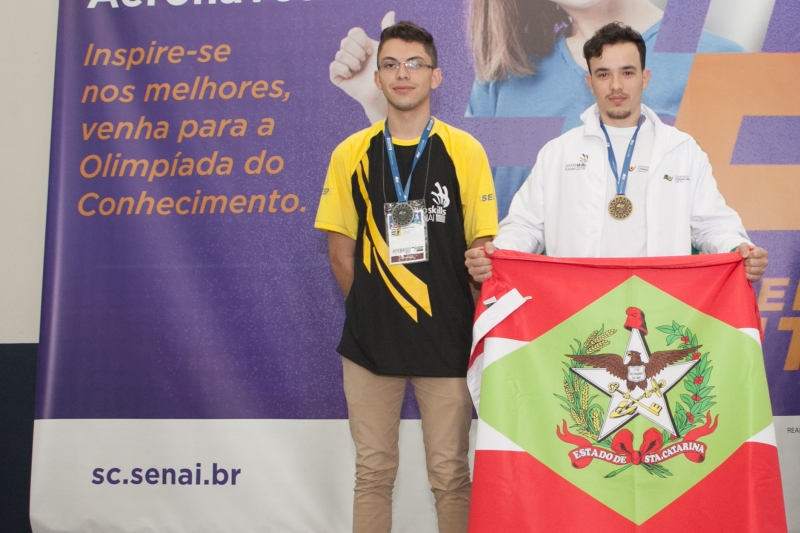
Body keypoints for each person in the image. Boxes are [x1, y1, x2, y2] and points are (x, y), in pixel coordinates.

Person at [315, 21, 498, 533]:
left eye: (414, 63)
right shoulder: (350, 153)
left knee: (450, 475)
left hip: (447, 341)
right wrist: (375, 309)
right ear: (377, 77)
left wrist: (458, 317)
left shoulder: (465, 151)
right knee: (373, 473)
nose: (403, 74)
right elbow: (339, 254)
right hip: (370, 346)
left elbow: (480, 252)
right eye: (391, 64)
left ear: (436, 76)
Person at [328, 1, 746, 219]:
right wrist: (383, 105)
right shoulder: (505, 81)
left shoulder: (718, 63)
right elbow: (452, 215)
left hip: (661, 343)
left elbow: (732, 229)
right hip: (534, 348)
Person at [464, 22, 768, 283]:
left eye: (627, 72)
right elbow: (525, 224)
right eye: (604, 75)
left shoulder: (681, 150)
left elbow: (712, 224)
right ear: (590, 82)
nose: (616, 86)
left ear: (645, 78)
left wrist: (737, 247)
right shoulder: (558, 152)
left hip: (660, 304)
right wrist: (498, 253)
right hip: (577, 308)